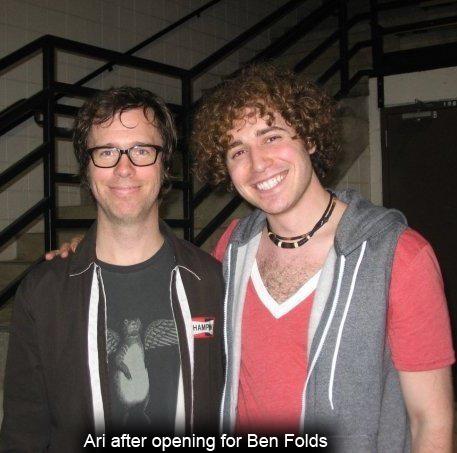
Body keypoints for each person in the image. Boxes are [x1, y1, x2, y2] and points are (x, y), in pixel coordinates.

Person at [190, 64, 454, 451]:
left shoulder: (398, 256)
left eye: (271, 137)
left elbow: (431, 421)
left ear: (309, 139)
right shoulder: (232, 248)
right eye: (237, 151)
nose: (258, 163)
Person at [0, 87, 224, 451]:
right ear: (86, 169)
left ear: (165, 165)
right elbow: (23, 430)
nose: (124, 168)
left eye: (141, 150)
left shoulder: (210, 282)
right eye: (106, 152)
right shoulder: (44, 291)